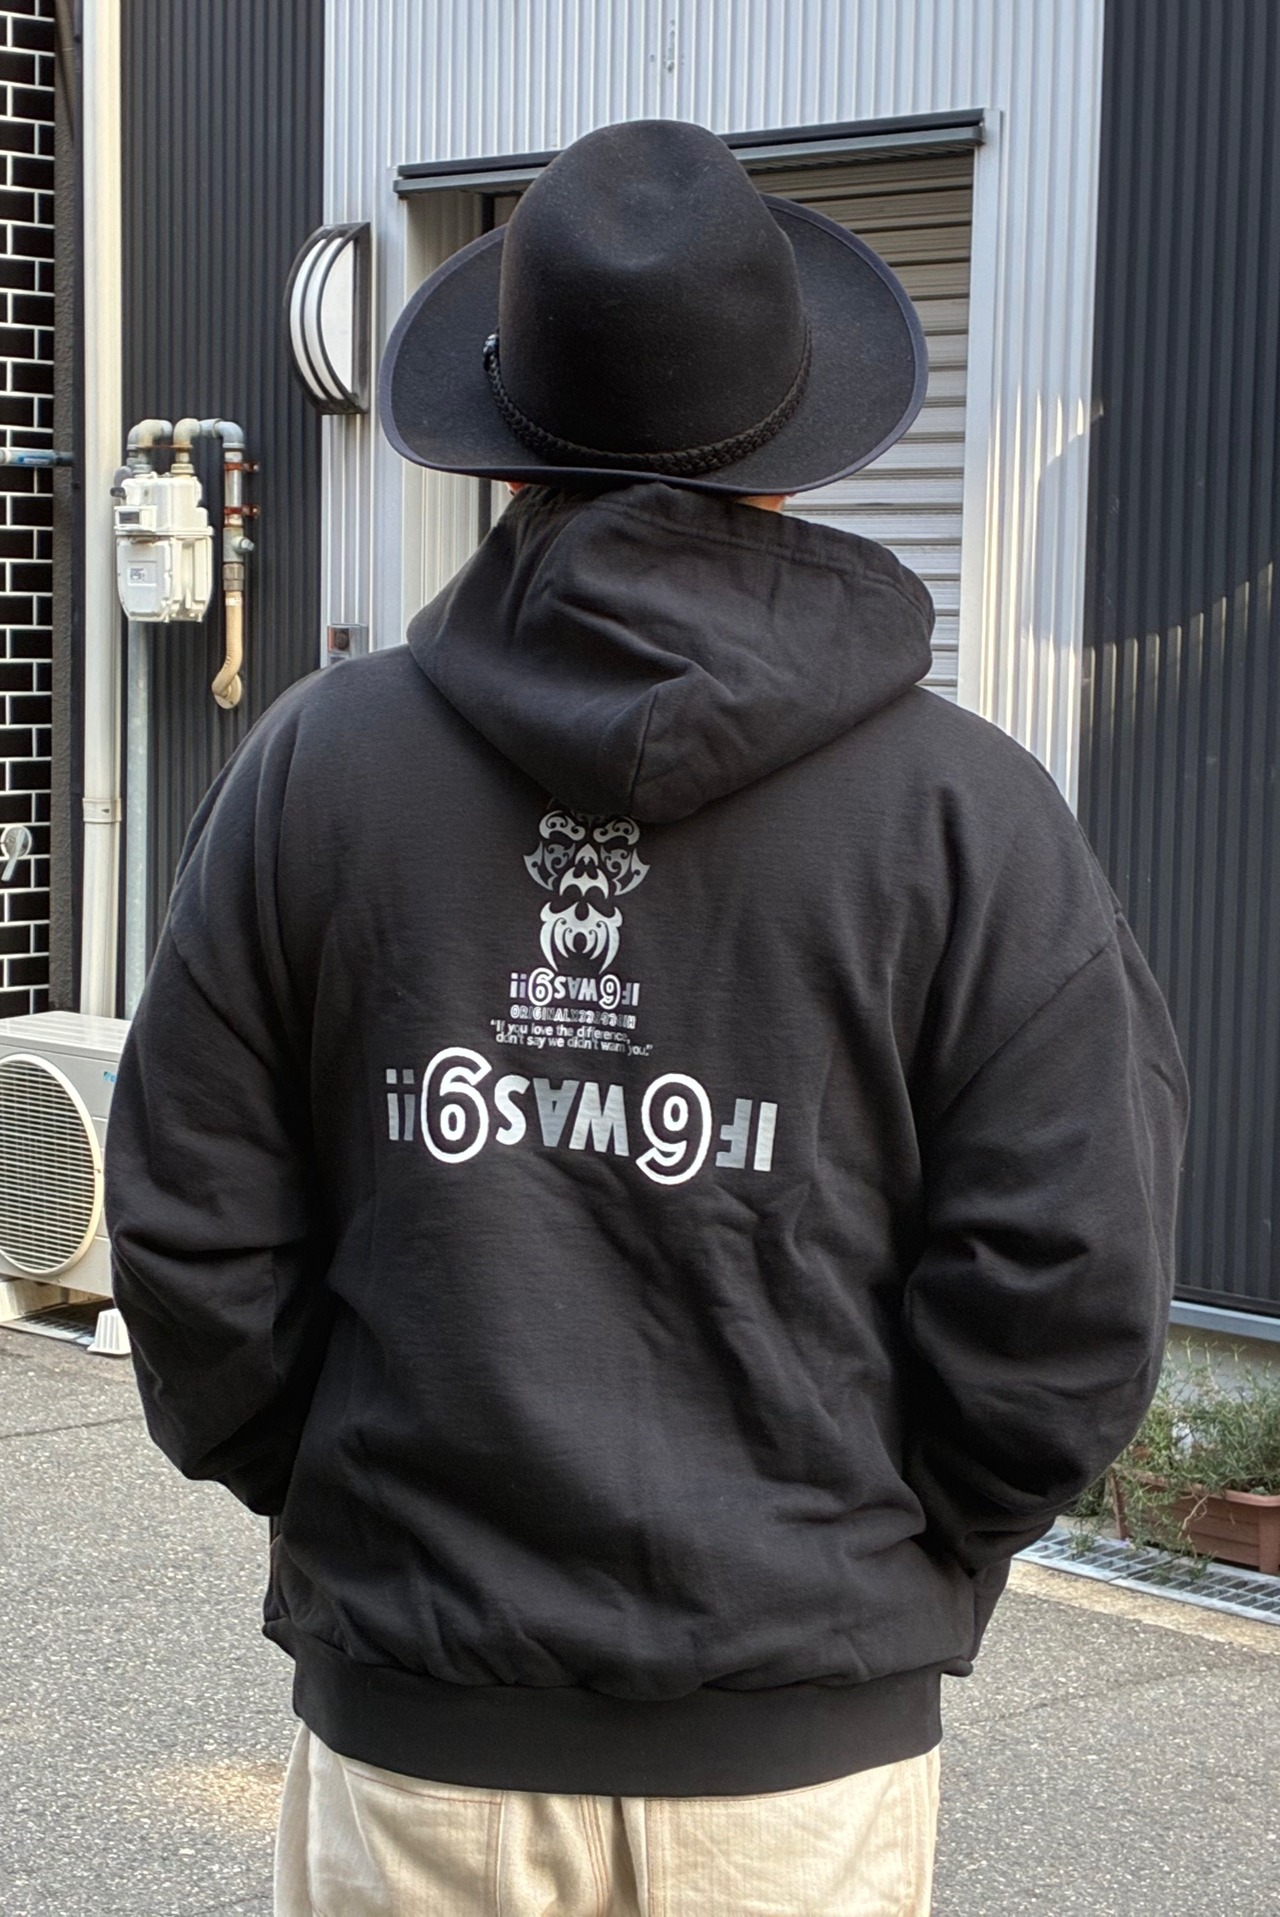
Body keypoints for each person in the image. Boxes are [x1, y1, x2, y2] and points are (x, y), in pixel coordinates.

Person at [105, 120, 1188, 1917]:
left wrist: (357, 1496)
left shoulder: (318, 769)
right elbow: (1073, 1287)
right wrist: (878, 1555)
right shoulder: (967, 816)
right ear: (790, 436)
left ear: (503, 436)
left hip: (421, 1741)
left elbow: (190, 1229)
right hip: (799, 1781)